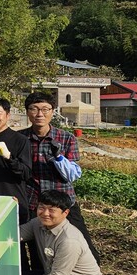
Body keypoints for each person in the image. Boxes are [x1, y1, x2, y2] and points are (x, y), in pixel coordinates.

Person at [19, 91, 99, 261]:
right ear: (27, 112)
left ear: (52, 111)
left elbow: (72, 174)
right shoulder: (20, 139)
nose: (40, 114)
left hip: (64, 201)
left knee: (82, 244)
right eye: (34, 109)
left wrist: (58, 157)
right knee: (38, 252)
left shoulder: (66, 138)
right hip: (35, 202)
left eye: (45, 109)